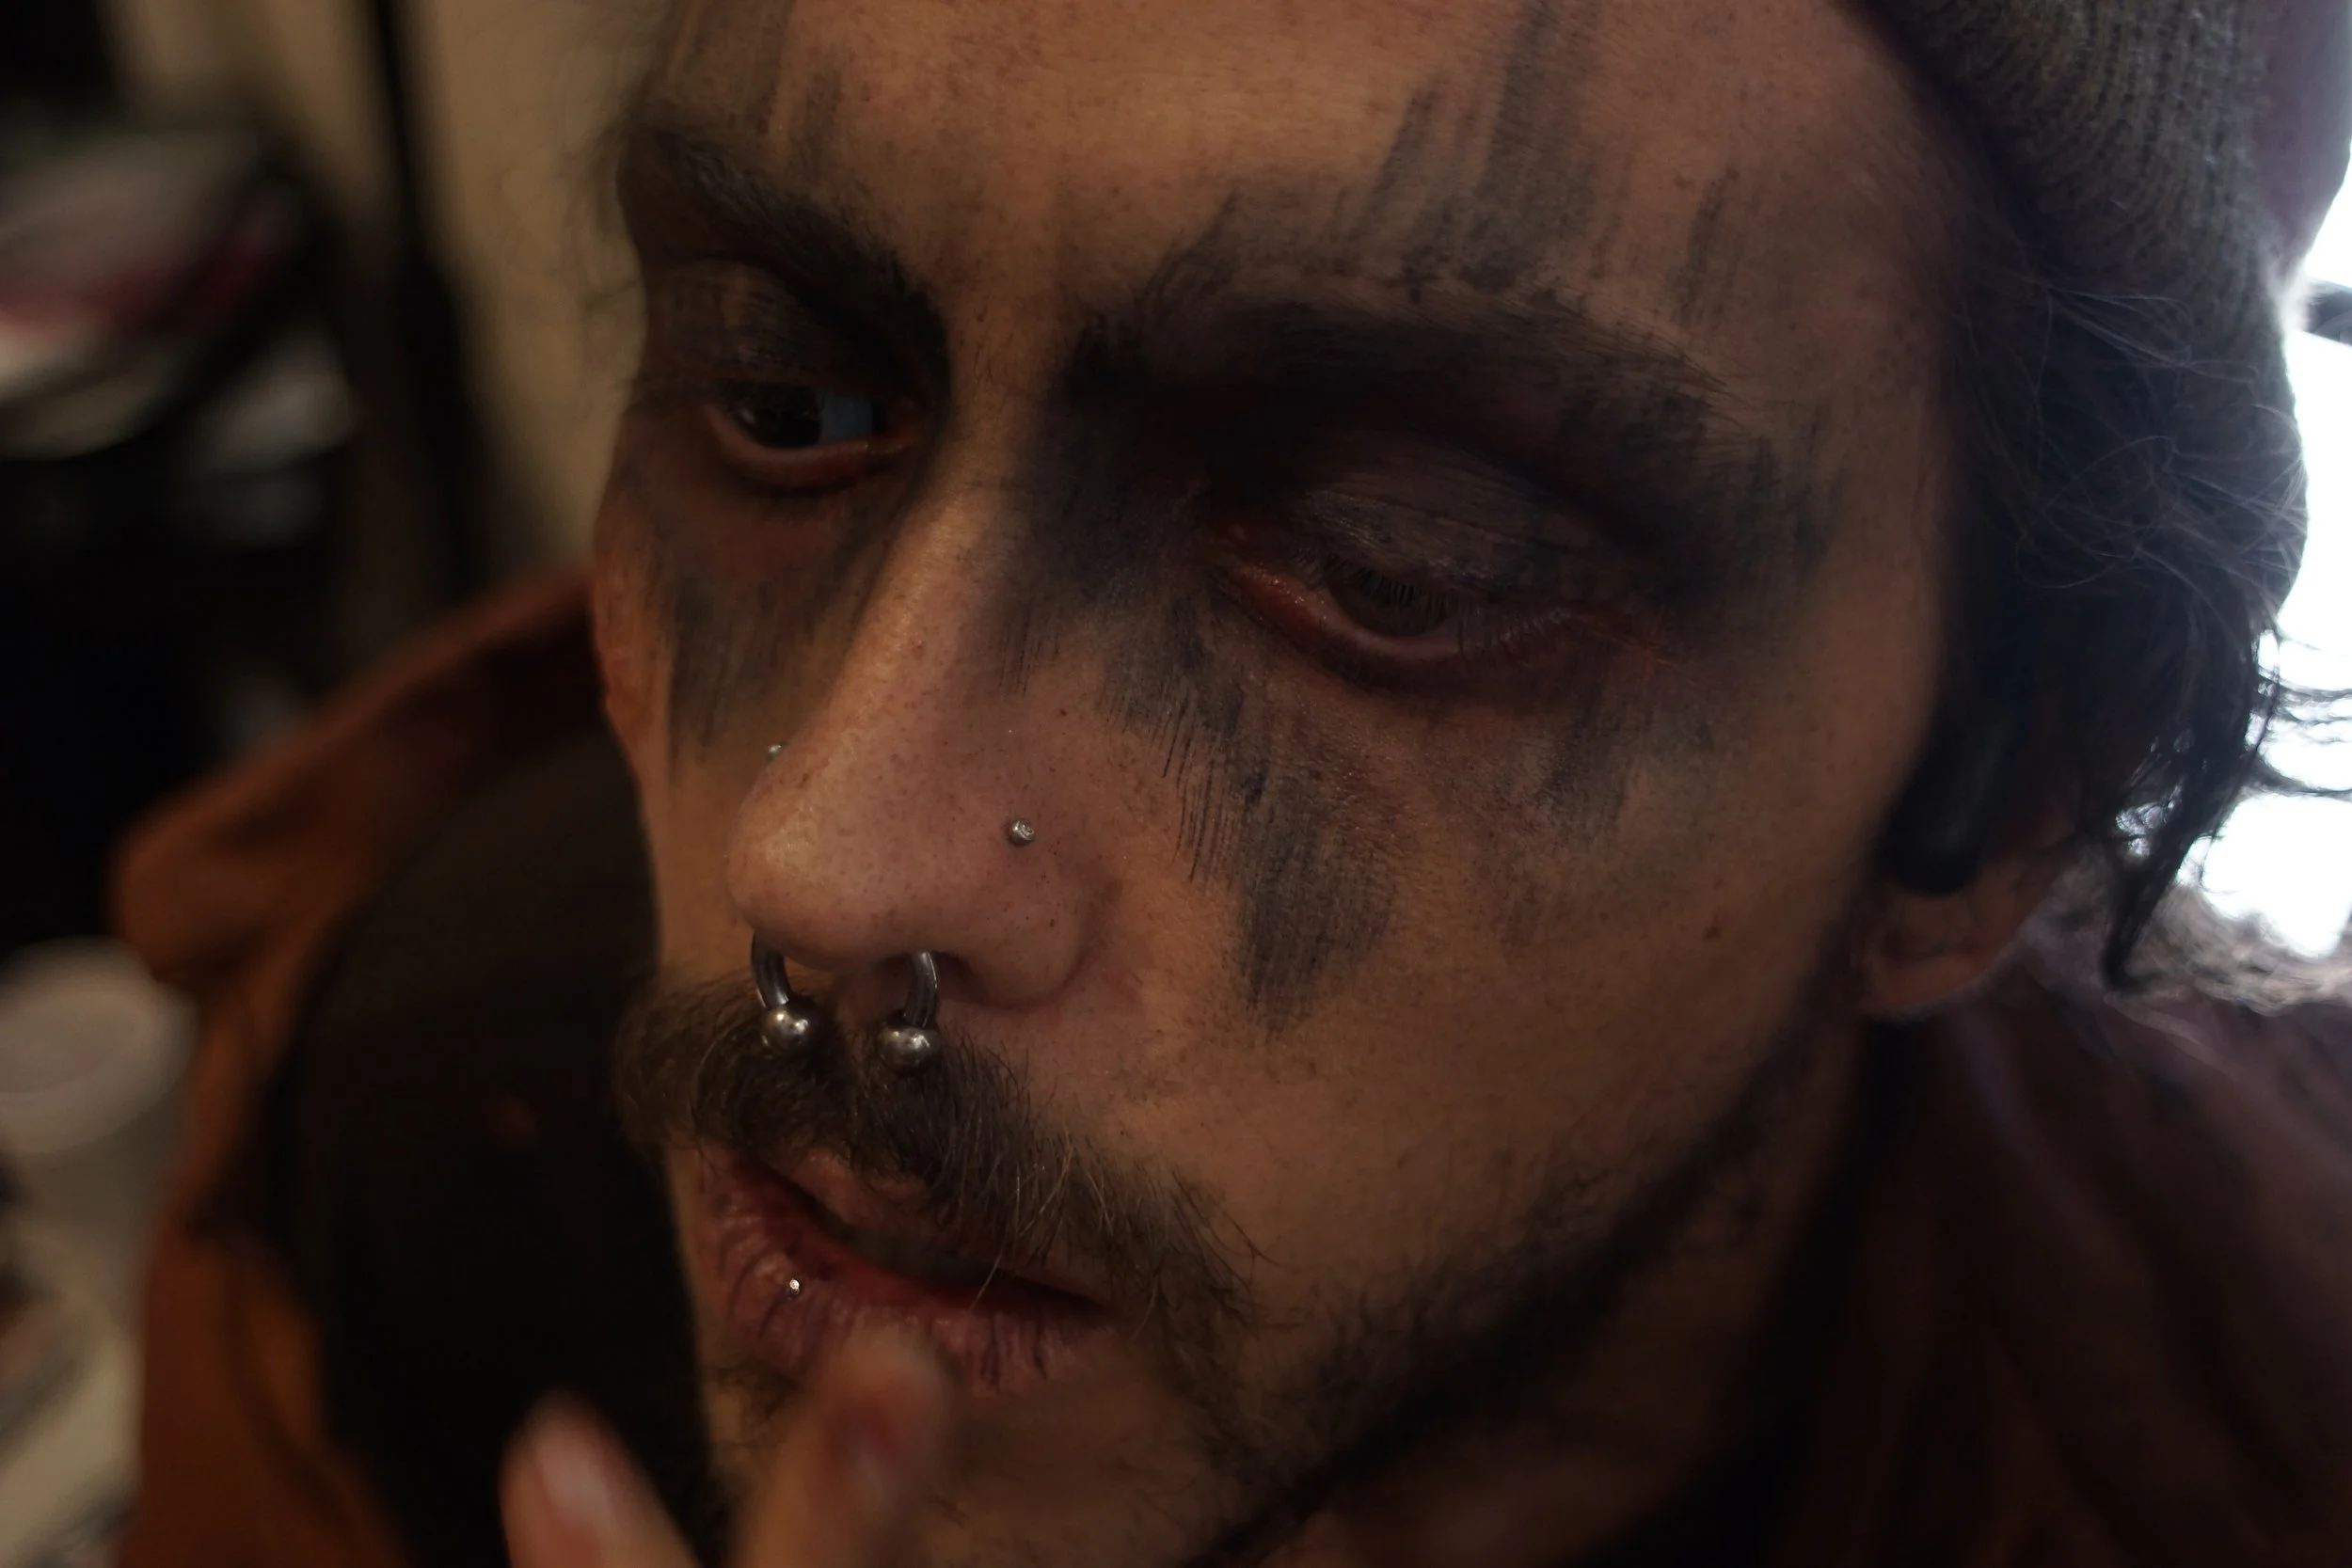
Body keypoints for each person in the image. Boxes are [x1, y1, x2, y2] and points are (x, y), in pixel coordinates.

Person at [110, 1, 2352, 1566]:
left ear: (1997, 789)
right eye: (783, 402)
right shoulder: (440, 1146)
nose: (819, 858)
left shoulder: (2251, 1432)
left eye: (1395, 564)